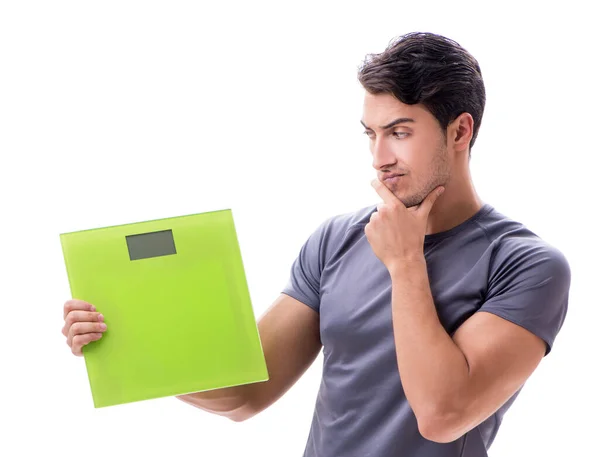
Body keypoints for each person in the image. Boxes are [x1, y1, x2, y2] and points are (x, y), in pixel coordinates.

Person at [61, 32, 571, 456]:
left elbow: (442, 415)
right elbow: (245, 392)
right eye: (370, 133)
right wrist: (125, 343)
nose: (379, 157)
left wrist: (406, 262)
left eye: (398, 131)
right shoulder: (336, 240)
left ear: (460, 131)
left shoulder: (527, 265)